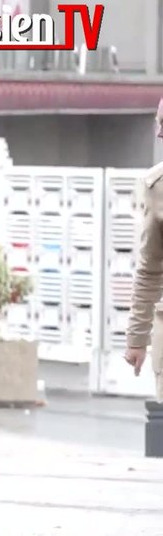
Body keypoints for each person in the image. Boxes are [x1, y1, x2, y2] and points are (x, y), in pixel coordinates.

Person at [123, 98, 163, 393]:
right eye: (160, 124)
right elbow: (149, 268)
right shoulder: (156, 186)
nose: (160, 134)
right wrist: (137, 339)